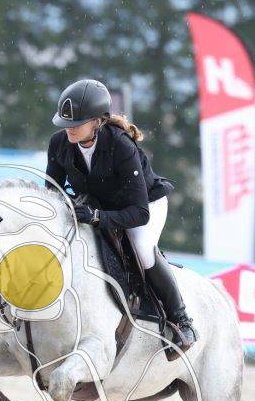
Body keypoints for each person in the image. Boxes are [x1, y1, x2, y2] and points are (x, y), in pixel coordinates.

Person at [45, 78, 196, 350]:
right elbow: (51, 192)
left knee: (142, 249)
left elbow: (139, 213)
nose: (69, 129)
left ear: (97, 121)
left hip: (144, 205)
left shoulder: (121, 146)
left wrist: (97, 217)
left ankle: (181, 320)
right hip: (98, 205)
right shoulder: (59, 143)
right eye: (65, 123)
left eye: (77, 123)